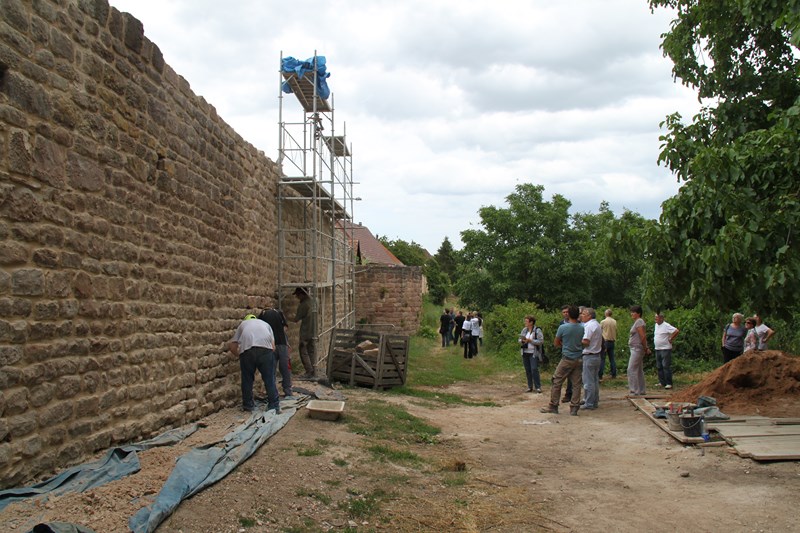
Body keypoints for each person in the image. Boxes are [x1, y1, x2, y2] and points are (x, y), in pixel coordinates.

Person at [228, 313, 280, 413]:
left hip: (248, 350)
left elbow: (232, 346)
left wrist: (241, 356)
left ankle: (248, 405)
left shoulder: (243, 324)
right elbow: (273, 347)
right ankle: (274, 406)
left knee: (247, 379)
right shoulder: (266, 325)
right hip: (266, 350)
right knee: (269, 379)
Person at [541, 305, 584, 416]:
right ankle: (574, 408)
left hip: (567, 358)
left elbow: (556, 343)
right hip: (579, 358)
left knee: (557, 381)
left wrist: (564, 346)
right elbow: (585, 341)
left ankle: (553, 405)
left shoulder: (563, 328)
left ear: (568, 314)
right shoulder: (583, 327)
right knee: (576, 384)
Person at [258, 307, 294, 398]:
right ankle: (288, 391)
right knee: (285, 368)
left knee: (271, 369)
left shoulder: (262, 315)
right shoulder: (279, 313)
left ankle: (272, 392)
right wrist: (287, 342)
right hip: (282, 344)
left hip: (270, 345)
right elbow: (285, 328)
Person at [580, 307, 602, 409]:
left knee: (588, 381)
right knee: (594, 380)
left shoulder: (589, 326)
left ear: (589, 316)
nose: (581, 316)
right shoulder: (596, 324)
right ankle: (594, 401)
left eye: (583, 314)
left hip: (589, 355)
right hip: (596, 355)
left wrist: (576, 341)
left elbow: (586, 341)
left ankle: (589, 403)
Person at [292, 287, 316, 378]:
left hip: (306, 331)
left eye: (298, 295)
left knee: (303, 351)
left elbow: (296, 319)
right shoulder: (315, 301)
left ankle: (309, 371)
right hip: (314, 330)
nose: (297, 298)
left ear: (302, 294)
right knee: (312, 351)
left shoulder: (304, 305)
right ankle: (314, 370)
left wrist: (286, 317)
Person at [653, 312, 680, 389]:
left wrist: (671, 338)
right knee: (659, 366)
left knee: (666, 366)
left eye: (657, 318)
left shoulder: (666, 325)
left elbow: (676, 331)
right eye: (655, 318)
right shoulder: (656, 325)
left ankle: (669, 383)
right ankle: (662, 382)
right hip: (658, 348)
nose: (655, 320)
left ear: (661, 318)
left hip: (665, 348)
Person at [627, 305, 650, 396]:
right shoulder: (637, 322)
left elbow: (642, 336)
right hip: (636, 348)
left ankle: (634, 390)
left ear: (639, 313)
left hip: (637, 348)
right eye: (631, 312)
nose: (632, 314)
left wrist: (645, 347)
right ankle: (641, 389)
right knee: (639, 369)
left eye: (634, 312)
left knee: (631, 369)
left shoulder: (639, 321)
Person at [519, 315, 543, 393]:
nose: (525, 323)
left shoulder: (537, 330)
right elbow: (519, 339)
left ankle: (538, 386)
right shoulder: (524, 330)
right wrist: (522, 341)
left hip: (533, 353)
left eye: (526, 321)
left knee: (534, 369)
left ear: (531, 322)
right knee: (527, 370)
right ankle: (530, 386)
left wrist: (530, 341)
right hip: (525, 352)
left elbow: (541, 341)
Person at [599, 308, 618, 380]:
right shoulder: (614, 321)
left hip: (605, 341)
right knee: (612, 358)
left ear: (606, 314)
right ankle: (614, 373)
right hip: (612, 341)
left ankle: (600, 374)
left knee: (602, 358)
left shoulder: (603, 322)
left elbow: (599, 331)